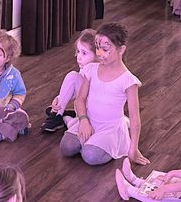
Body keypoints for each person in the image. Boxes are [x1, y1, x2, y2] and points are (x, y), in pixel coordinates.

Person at [60, 22, 148, 166]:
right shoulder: (91, 69)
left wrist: (133, 148)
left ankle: (100, 144)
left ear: (121, 50)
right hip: (89, 120)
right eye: (97, 47)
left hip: (110, 129)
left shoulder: (128, 81)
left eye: (105, 49)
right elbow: (80, 100)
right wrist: (83, 120)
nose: (99, 53)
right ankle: (89, 140)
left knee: (90, 156)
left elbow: (134, 117)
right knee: (66, 147)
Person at [41, 29, 98, 133]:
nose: (79, 57)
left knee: (73, 76)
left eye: (84, 53)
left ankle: (60, 115)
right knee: (73, 78)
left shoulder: (100, 72)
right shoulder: (84, 70)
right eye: (78, 51)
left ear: (97, 55)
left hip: (94, 114)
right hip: (83, 109)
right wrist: (59, 99)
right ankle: (58, 113)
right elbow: (76, 90)